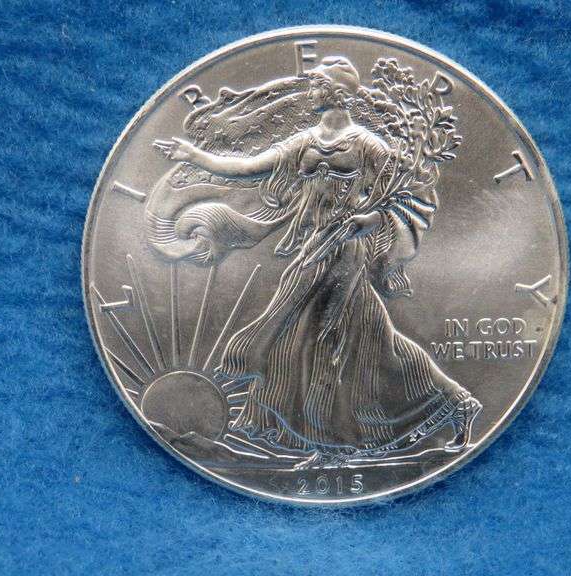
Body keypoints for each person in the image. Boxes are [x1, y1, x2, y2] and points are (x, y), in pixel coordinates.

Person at [159, 57, 481, 468]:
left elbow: (410, 197)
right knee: (369, 340)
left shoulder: (368, 145)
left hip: (345, 251)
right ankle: (455, 403)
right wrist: (195, 156)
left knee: (323, 338)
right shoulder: (304, 141)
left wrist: (371, 220)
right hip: (312, 247)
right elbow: (248, 168)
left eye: (316, 84)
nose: (309, 90)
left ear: (336, 92)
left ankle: (330, 447)